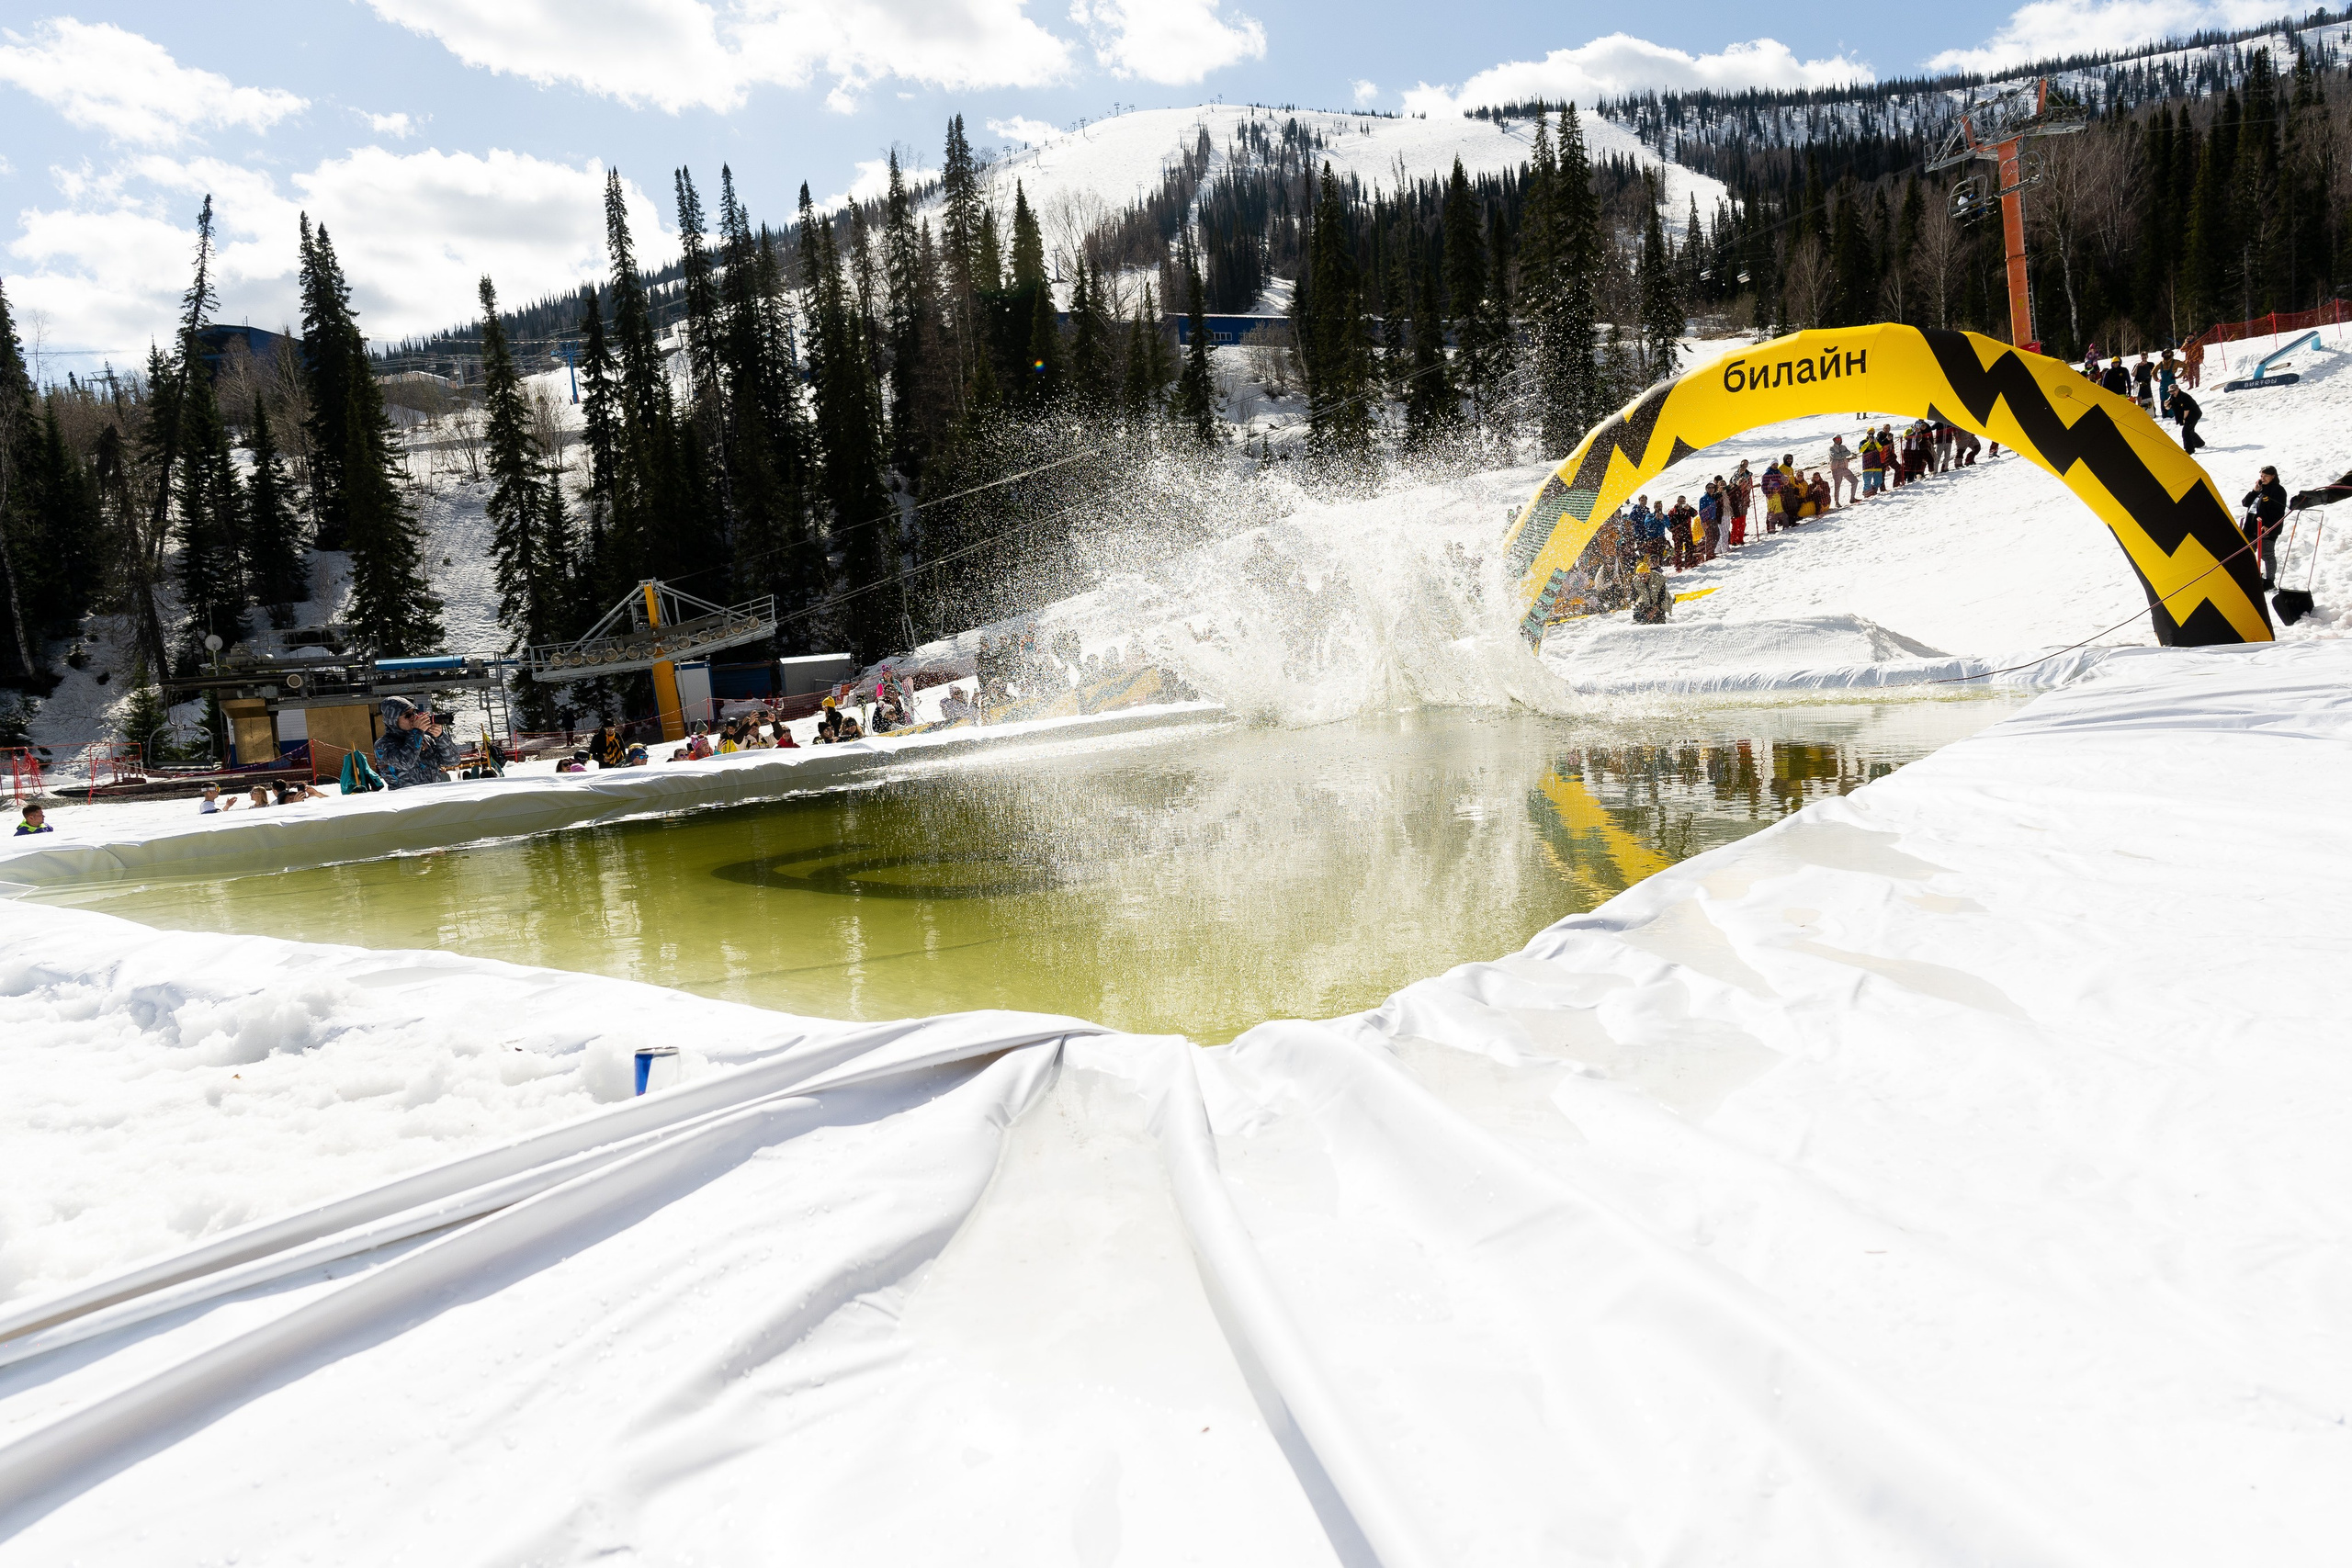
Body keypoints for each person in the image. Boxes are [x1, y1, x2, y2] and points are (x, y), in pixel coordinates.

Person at [374, 696, 460, 789]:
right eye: (408, 715)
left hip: (434, 794)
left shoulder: (424, 739)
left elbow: (453, 761)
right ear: (393, 720)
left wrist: (440, 736)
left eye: (414, 713)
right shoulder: (383, 744)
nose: (413, 717)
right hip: (406, 797)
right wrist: (417, 731)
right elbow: (406, 763)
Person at [2243, 465, 2288, 588]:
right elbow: (2245, 503)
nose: (2263, 478)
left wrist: (2270, 526)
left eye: (2266, 476)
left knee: (2266, 555)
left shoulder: (2278, 490)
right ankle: (2250, 576)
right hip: (2251, 527)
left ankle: (2269, 581)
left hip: (2266, 528)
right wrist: (2254, 491)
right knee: (2247, 553)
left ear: (2273, 476)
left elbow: (2279, 511)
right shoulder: (2260, 489)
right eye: (2261, 476)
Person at [1629, 559, 1670, 625]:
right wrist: (1633, 602)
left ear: (1648, 574)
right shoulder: (1636, 581)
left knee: (1658, 620)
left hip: (1659, 603)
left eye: (1644, 576)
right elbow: (1633, 594)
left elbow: (1662, 596)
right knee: (1640, 615)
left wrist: (1654, 610)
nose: (1642, 579)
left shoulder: (1658, 579)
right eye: (1640, 577)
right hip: (1646, 602)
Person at [2169, 385, 2204, 453]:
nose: (2172, 393)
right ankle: (2199, 443)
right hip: (2188, 415)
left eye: (2174, 391)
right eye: (2171, 391)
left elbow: (2186, 409)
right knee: (2190, 430)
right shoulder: (2173, 397)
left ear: (2178, 389)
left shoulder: (2184, 397)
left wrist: (2184, 419)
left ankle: (2189, 450)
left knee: (2186, 432)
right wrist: (2167, 405)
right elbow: (2173, 406)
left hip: (2194, 415)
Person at [1728, 460, 1753, 545]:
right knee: (1736, 524)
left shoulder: (1746, 489)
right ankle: (1733, 540)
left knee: (1742, 523)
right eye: (1741, 482)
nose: (1743, 484)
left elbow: (1749, 489)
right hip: (1735, 508)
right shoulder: (1735, 490)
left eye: (1744, 482)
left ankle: (1740, 539)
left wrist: (1747, 502)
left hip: (1743, 506)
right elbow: (1733, 482)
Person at [1827, 434, 1856, 506]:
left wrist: (1840, 454)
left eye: (1839, 439)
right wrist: (1843, 455)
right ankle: (1837, 502)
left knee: (1855, 481)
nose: (1838, 440)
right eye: (1837, 439)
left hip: (1844, 468)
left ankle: (1852, 498)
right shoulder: (1831, 448)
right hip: (1836, 469)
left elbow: (1848, 453)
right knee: (1837, 486)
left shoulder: (1843, 447)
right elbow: (1834, 456)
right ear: (1834, 440)